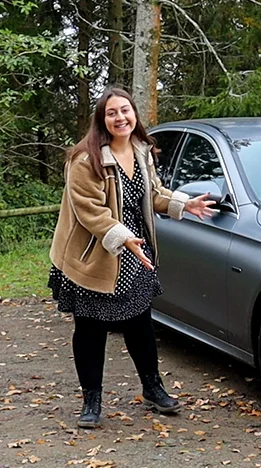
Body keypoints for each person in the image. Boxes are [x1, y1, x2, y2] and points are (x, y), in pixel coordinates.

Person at [47, 87, 216, 428]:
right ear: (102, 120)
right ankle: (91, 400)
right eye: (112, 113)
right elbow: (90, 212)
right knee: (91, 329)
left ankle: (153, 389)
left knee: (140, 324)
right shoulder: (85, 160)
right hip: (94, 255)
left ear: (134, 114)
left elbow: (151, 193)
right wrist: (124, 239)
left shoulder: (142, 152)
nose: (120, 117)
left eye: (125, 110)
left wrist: (183, 203)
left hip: (136, 253)